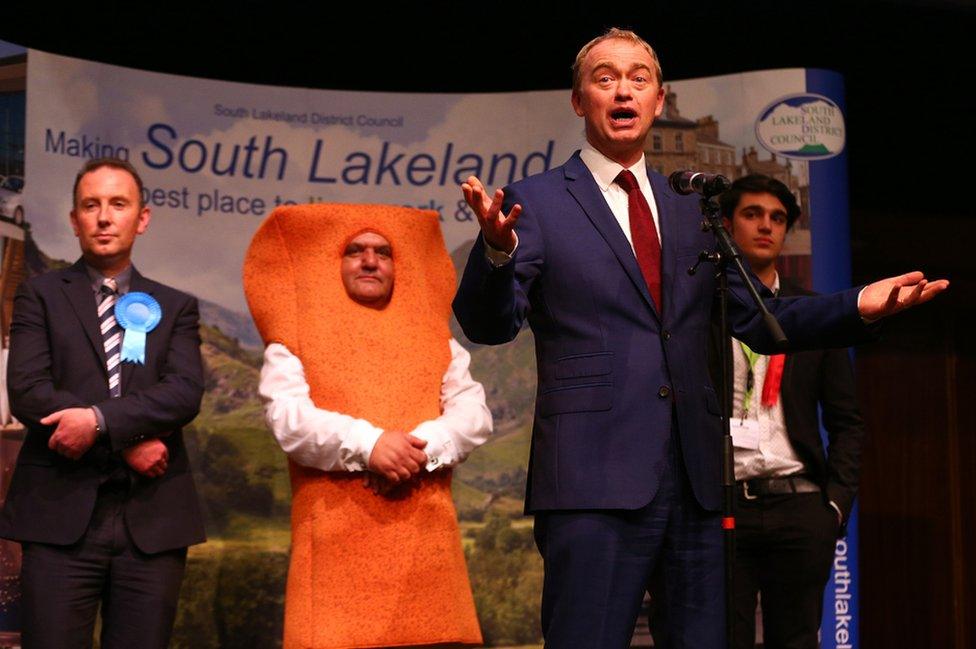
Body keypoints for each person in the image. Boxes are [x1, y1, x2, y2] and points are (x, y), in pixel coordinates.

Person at [452, 27, 947, 649]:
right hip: (593, 478)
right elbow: (490, 326)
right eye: (605, 78)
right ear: (579, 101)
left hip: (697, 482)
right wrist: (496, 253)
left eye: (638, 78)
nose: (623, 90)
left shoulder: (693, 208)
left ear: (660, 100)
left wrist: (860, 307)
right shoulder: (539, 202)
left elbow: (762, 323)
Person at [244, 203, 491, 648]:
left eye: (383, 251)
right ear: (333, 262)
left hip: (426, 552)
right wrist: (369, 444)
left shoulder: (436, 338)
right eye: (355, 250)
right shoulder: (295, 338)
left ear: (400, 264)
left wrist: (421, 448)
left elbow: (472, 414)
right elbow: (288, 418)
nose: (370, 260)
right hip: (336, 554)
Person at [0, 157, 206, 649]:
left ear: (143, 217)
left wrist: (97, 423)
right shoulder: (39, 295)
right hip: (58, 518)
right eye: (91, 205)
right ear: (75, 220)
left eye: (118, 204)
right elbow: (29, 389)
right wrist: (127, 442)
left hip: (152, 525)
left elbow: (183, 392)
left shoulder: (176, 306)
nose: (105, 217)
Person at [717, 175, 865, 648]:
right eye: (752, 214)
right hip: (724, 506)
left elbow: (847, 421)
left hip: (800, 506)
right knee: (721, 639)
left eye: (777, 218)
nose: (766, 226)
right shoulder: (701, 311)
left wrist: (834, 506)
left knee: (796, 641)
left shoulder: (812, 311)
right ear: (725, 224)